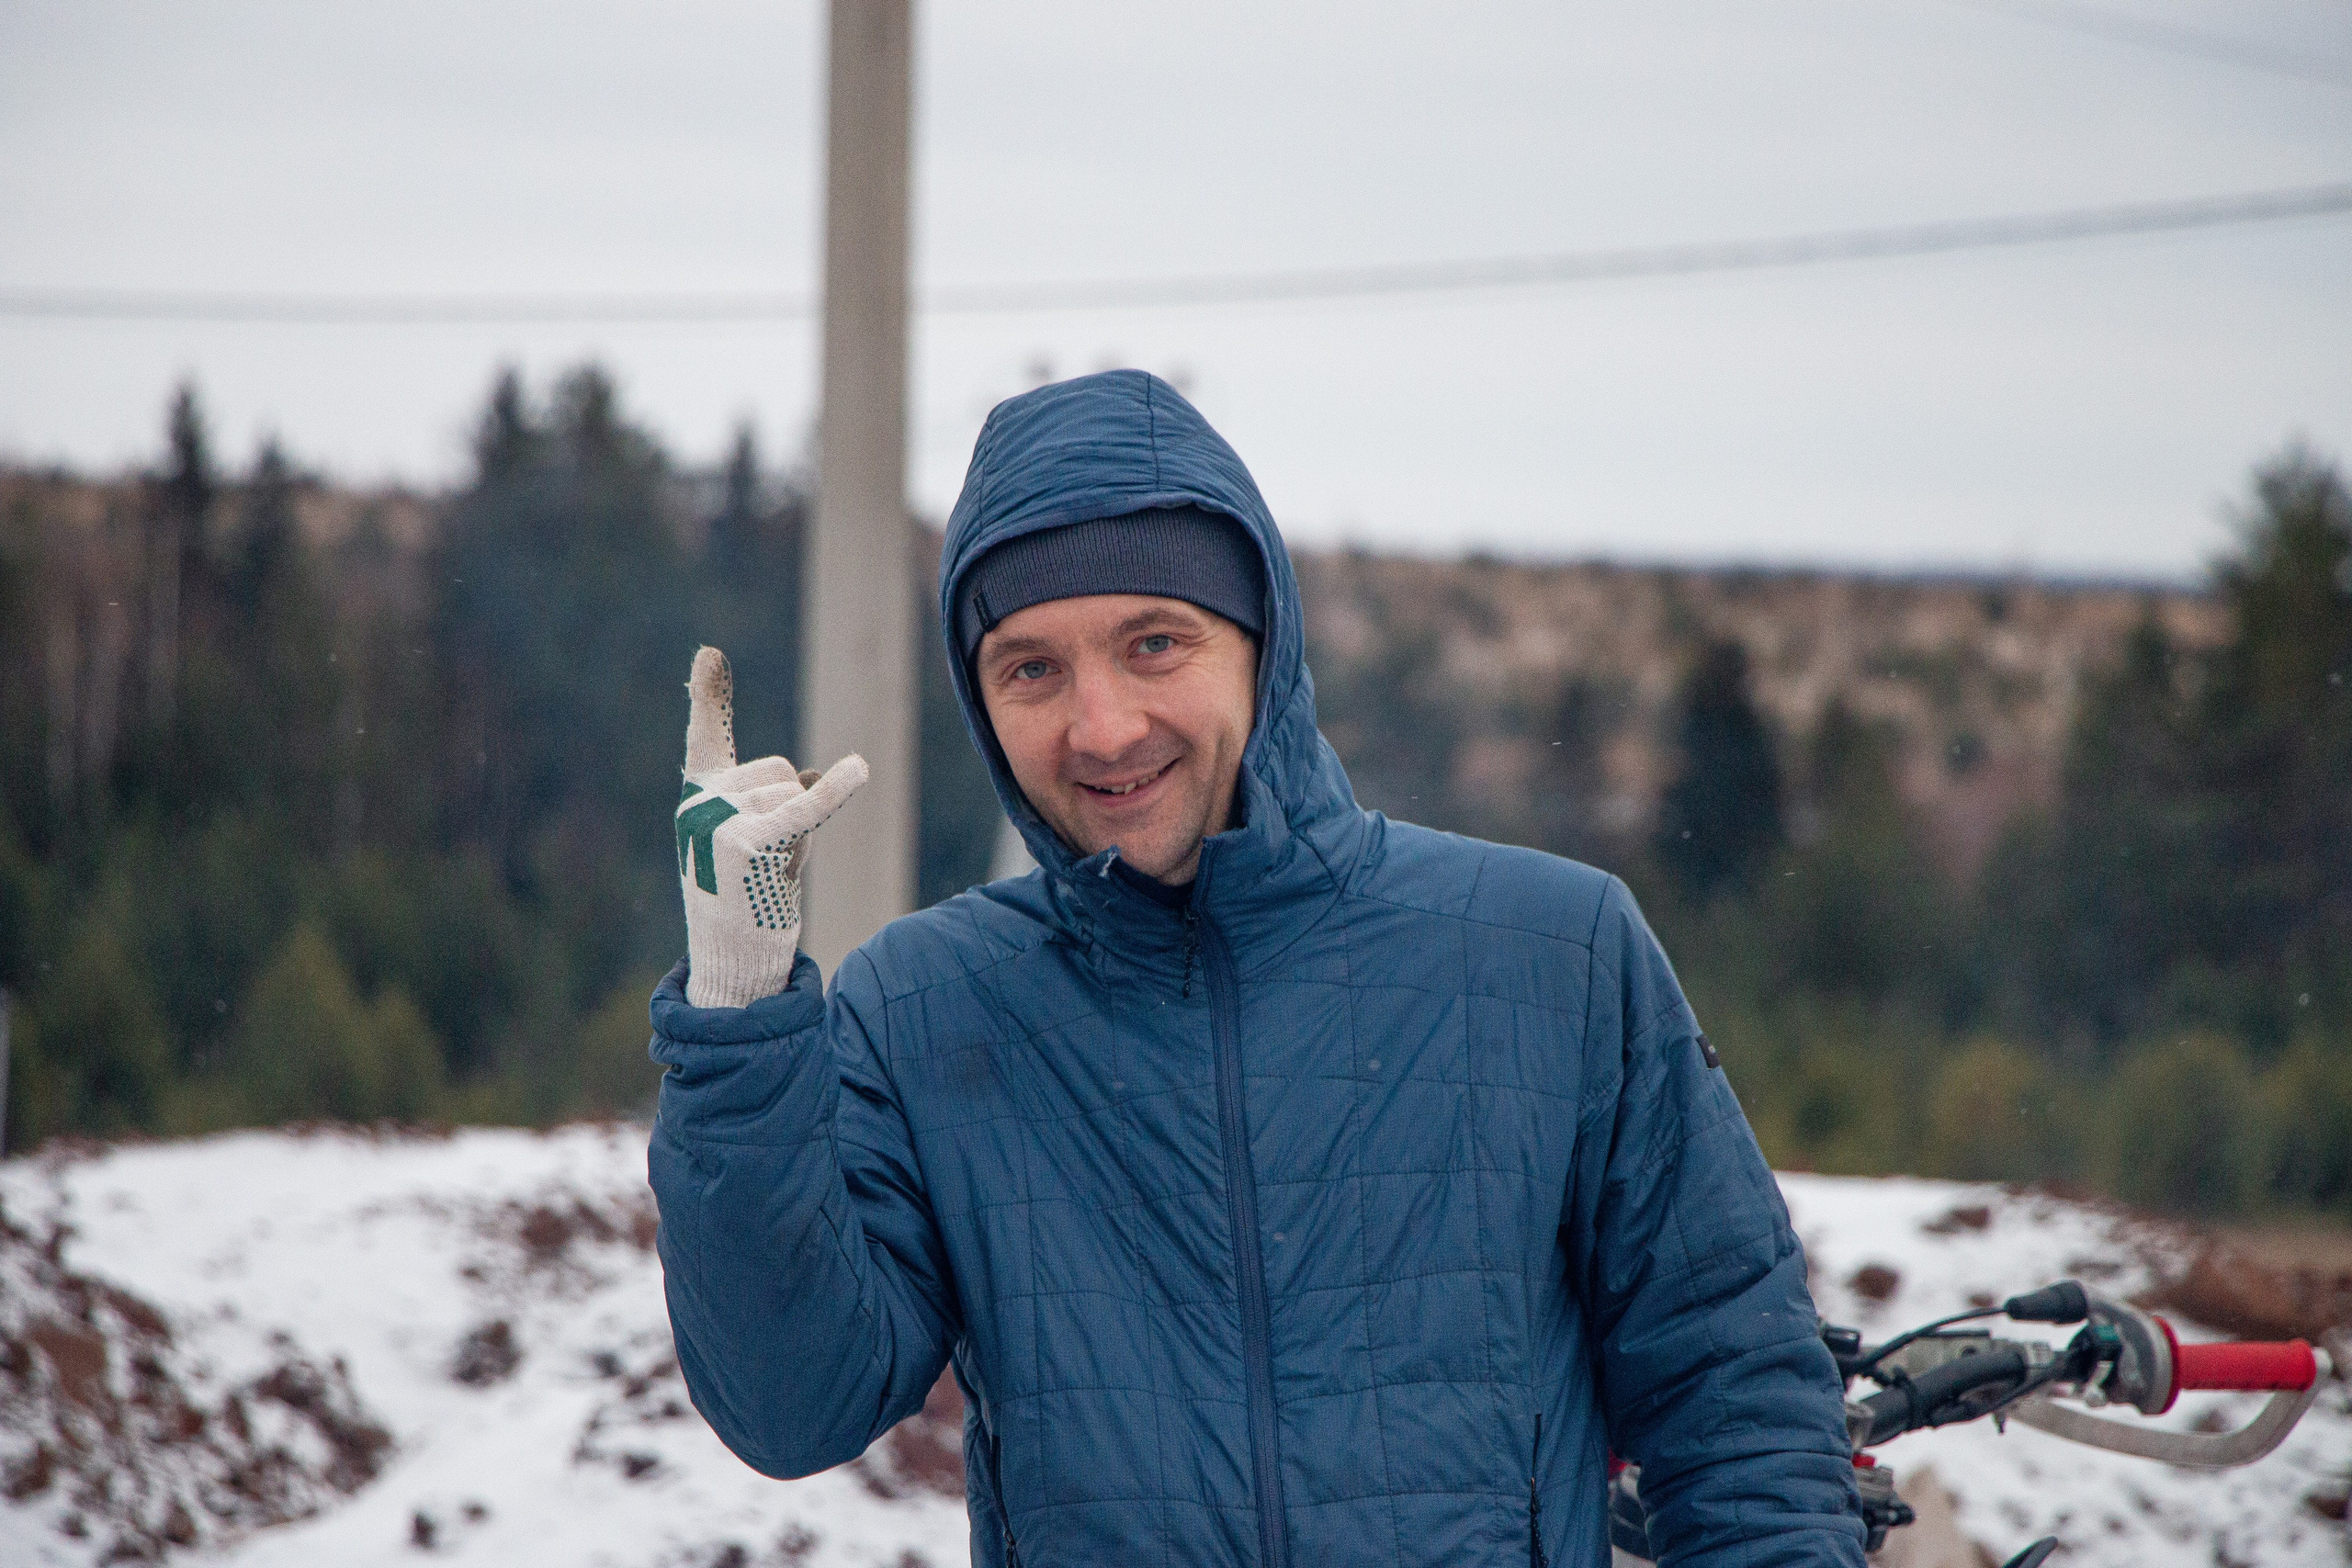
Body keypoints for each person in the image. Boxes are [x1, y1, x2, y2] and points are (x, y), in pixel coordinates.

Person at [649, 370, 1865, 1568]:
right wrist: (739, 1011)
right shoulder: (924, 1011)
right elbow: (793, 1403)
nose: (1105, 726)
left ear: (1260, 646)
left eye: (1154, 642)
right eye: (1032, 668)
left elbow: (1739, 1413)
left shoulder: (1552, 956)